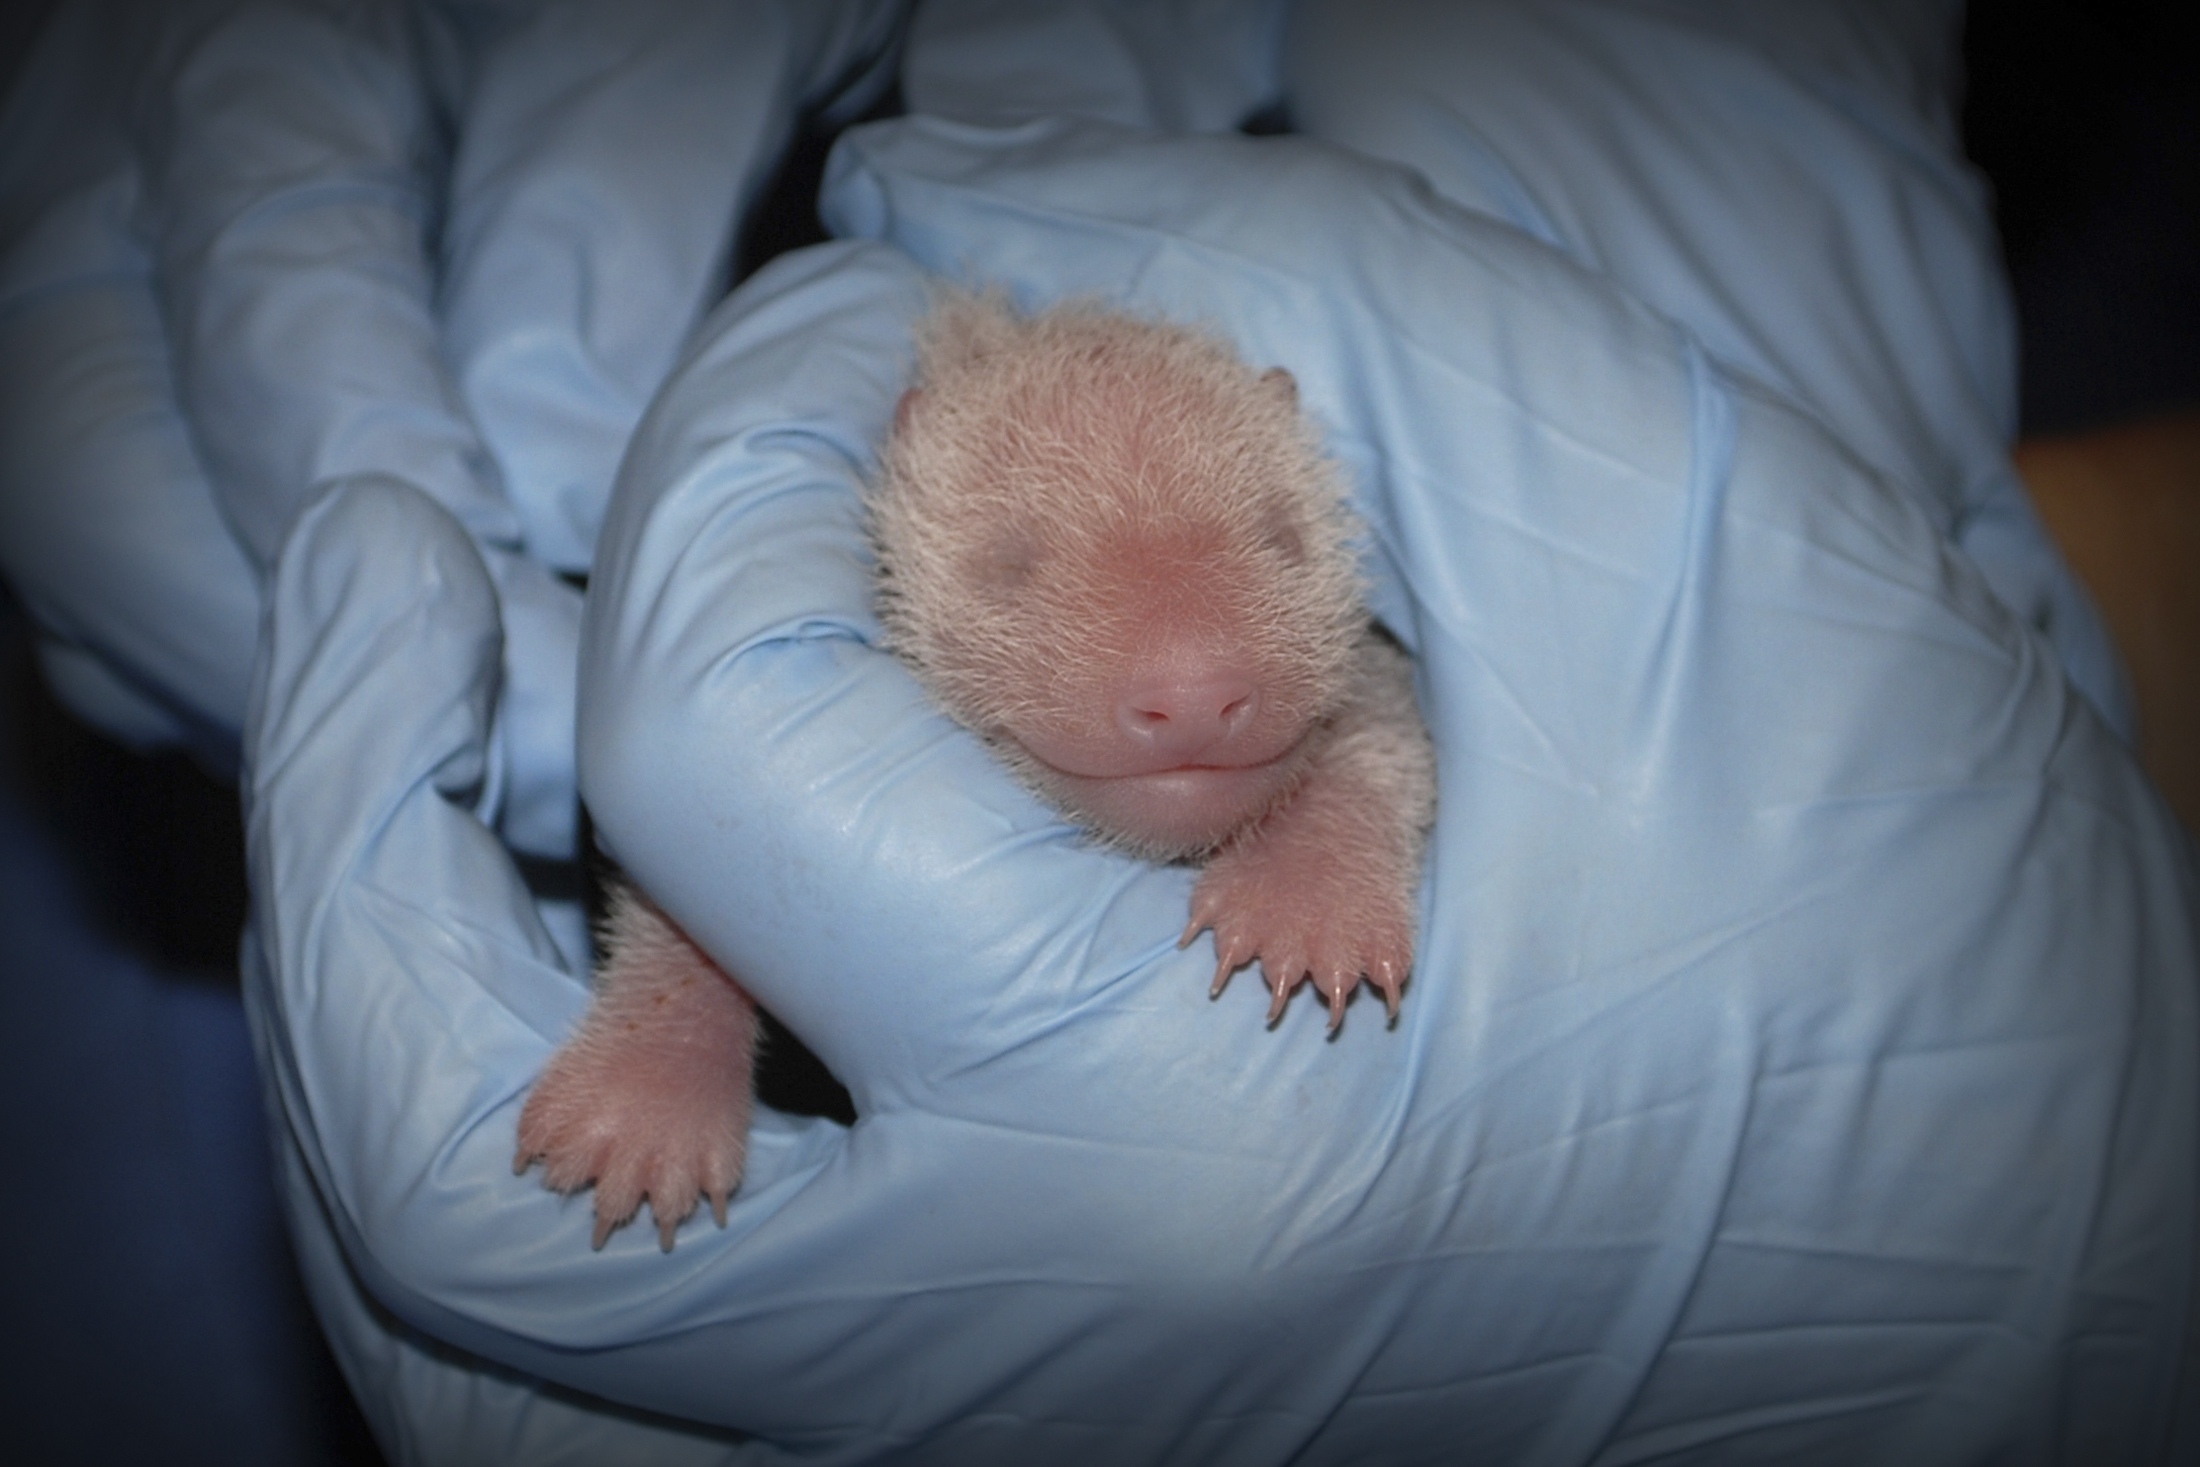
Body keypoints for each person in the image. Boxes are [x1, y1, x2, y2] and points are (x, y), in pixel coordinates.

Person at [7, 2, 2194, 1461]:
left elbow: (1379, 717)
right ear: (876, 529)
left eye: (1261, 534)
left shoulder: (1348, 607)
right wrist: (667, 1038)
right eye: (1024, 575)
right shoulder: (836, 596)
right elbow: (705, 879)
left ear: (1312, 471)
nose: (1190, 660)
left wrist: (1326, 834)